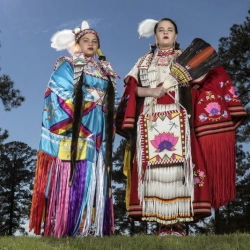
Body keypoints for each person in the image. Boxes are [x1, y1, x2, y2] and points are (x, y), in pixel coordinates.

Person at [116, 18, 246, 236]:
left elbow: (208, 80)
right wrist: (151, 92)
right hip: (150, 121)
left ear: (176, 36)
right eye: (161, 30)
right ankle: (162, 225)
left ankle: (177, 224)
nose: (165, 33)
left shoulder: (187, 59)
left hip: (180, 122)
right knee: (154, 173)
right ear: (155, 36)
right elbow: (131, 91)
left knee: (179, 172)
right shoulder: (143, 63)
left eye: (170, 30)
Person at [29, 20, 121, 237]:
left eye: (94, 41)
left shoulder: (105, 70)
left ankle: (90, 224)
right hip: (76, 131)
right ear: (77, 44)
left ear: (98, 46)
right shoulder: (67, 65)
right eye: (86, 40)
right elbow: (58, 93)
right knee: (75, 174)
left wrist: (109, 103)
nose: (90, 44)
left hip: (98, 131)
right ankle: (68, 224)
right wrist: (92, 98)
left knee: (96, 175)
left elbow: (115, 101)